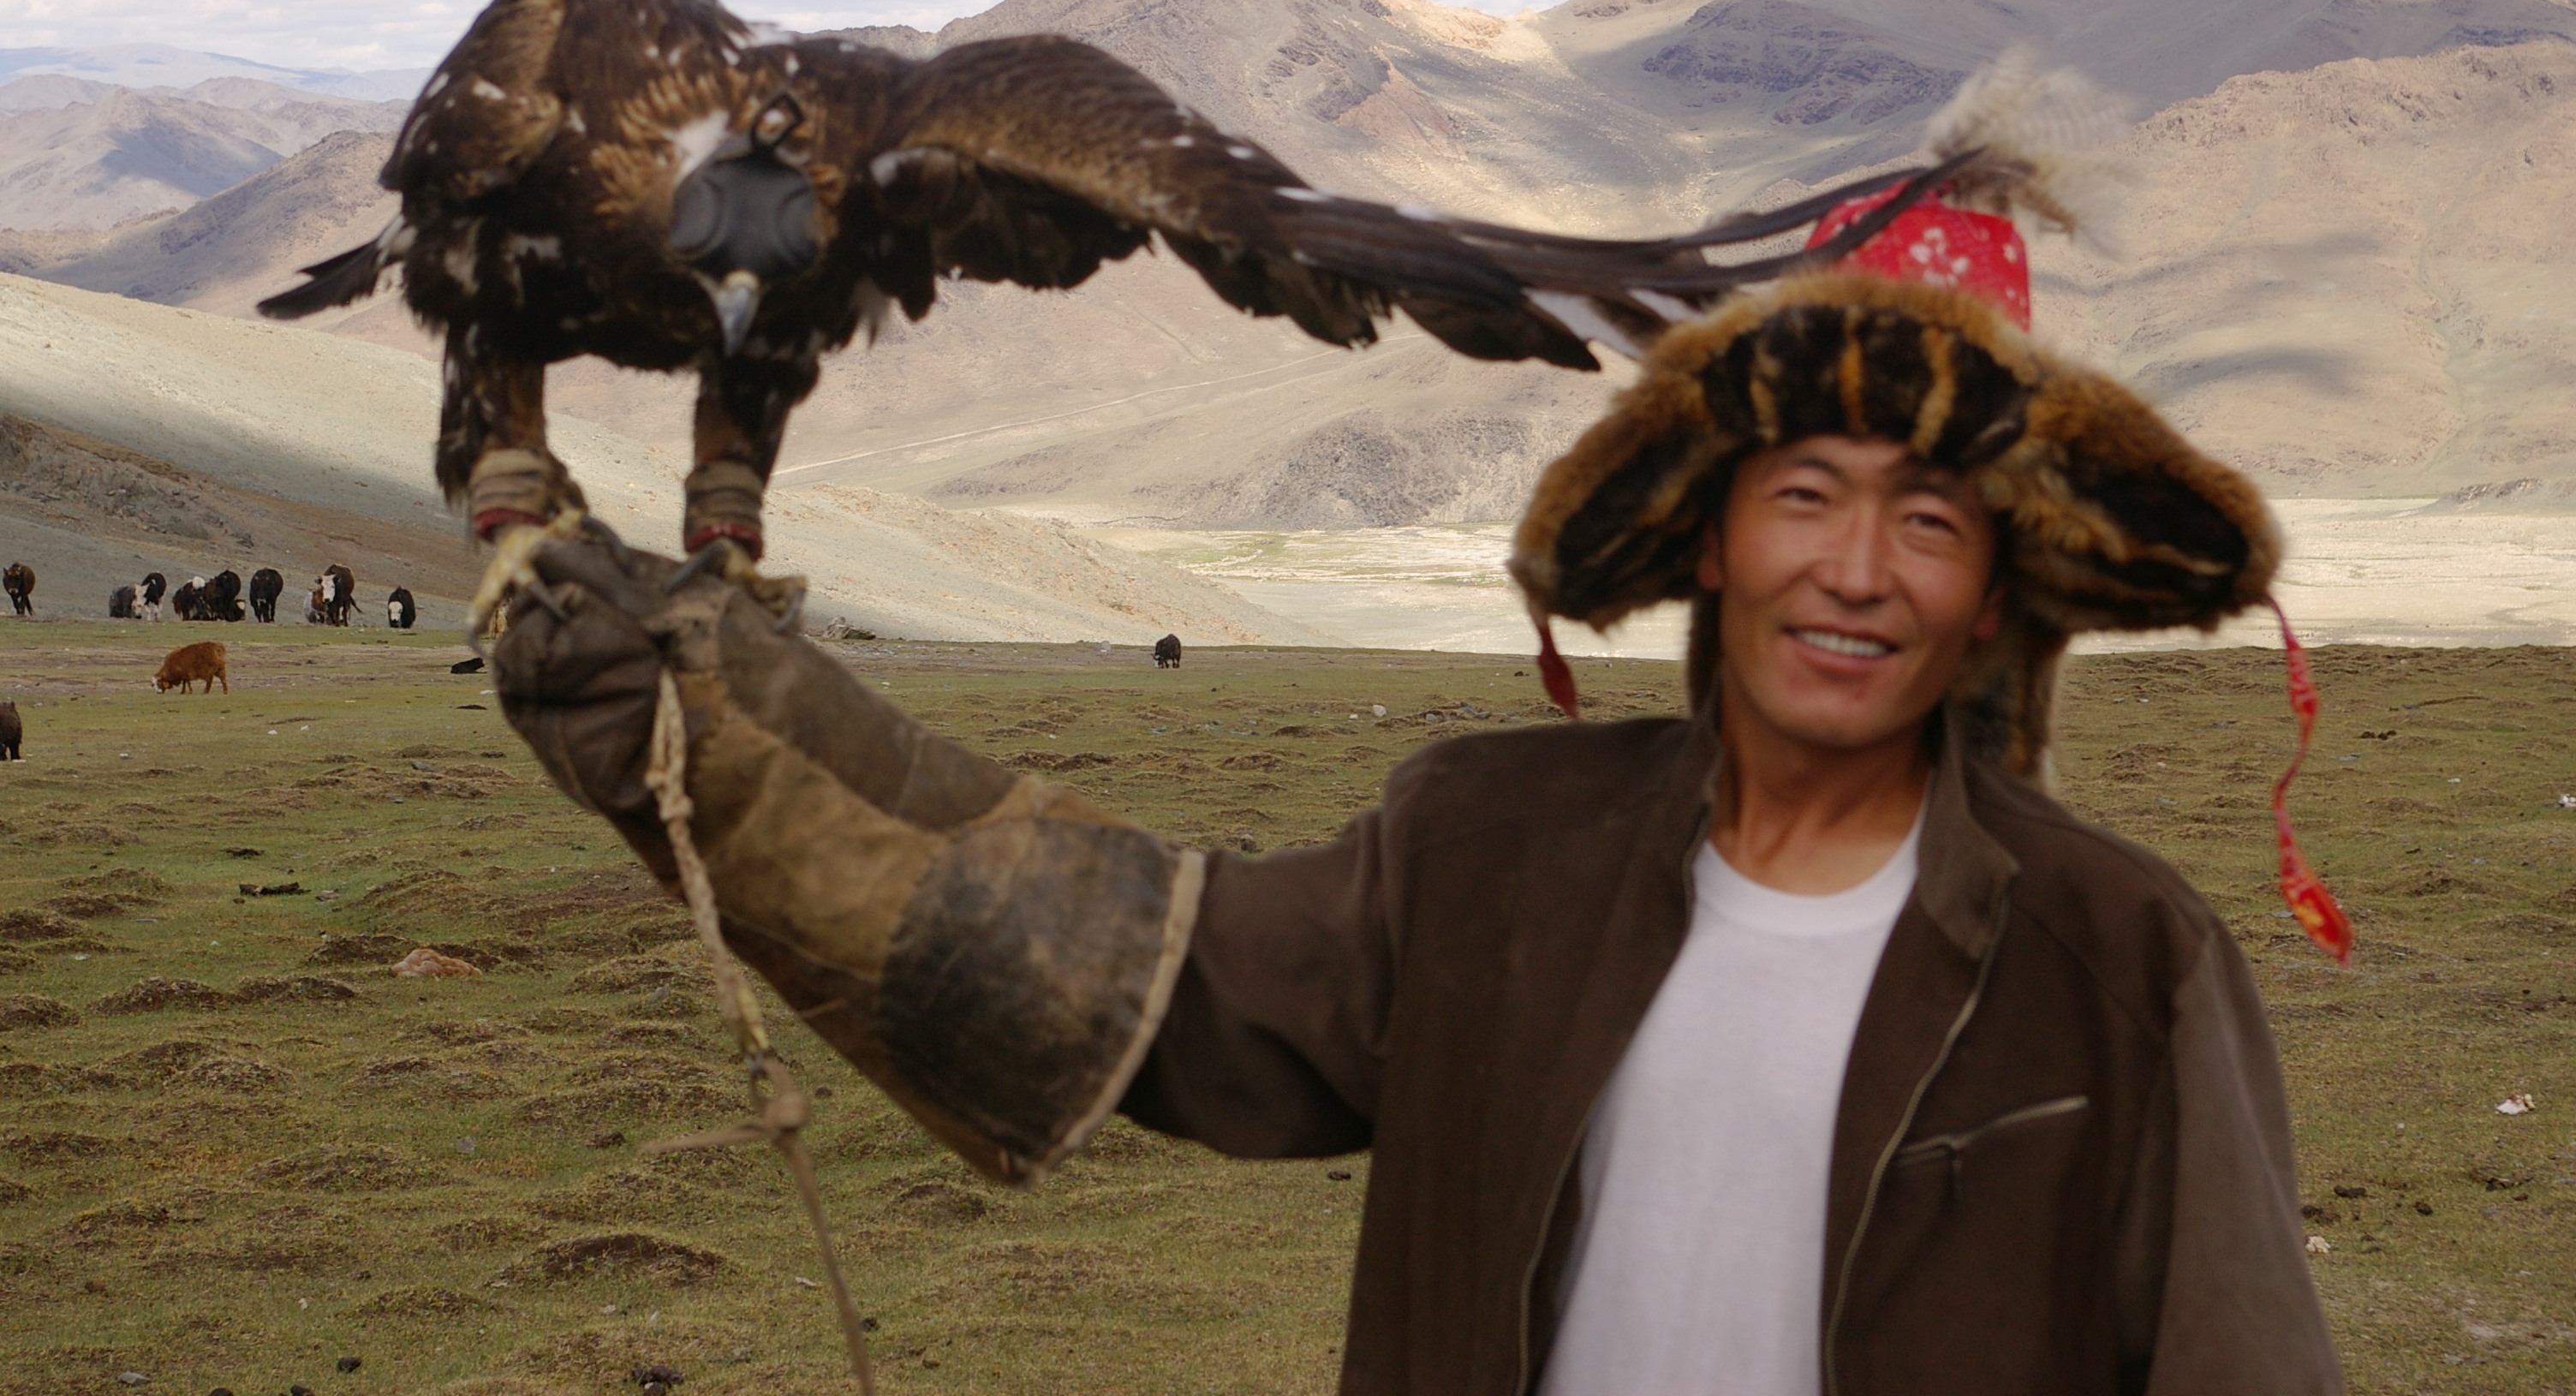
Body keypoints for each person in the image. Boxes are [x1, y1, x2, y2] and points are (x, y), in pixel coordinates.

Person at [493, 254, 2344, 1395]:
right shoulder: (1489, 848)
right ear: (1710, 538)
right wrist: (709, 737)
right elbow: (1151, 985)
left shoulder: (2122, 954)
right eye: (1805, 495)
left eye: (1929, 520)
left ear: (1994, 585)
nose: (1857, 570)